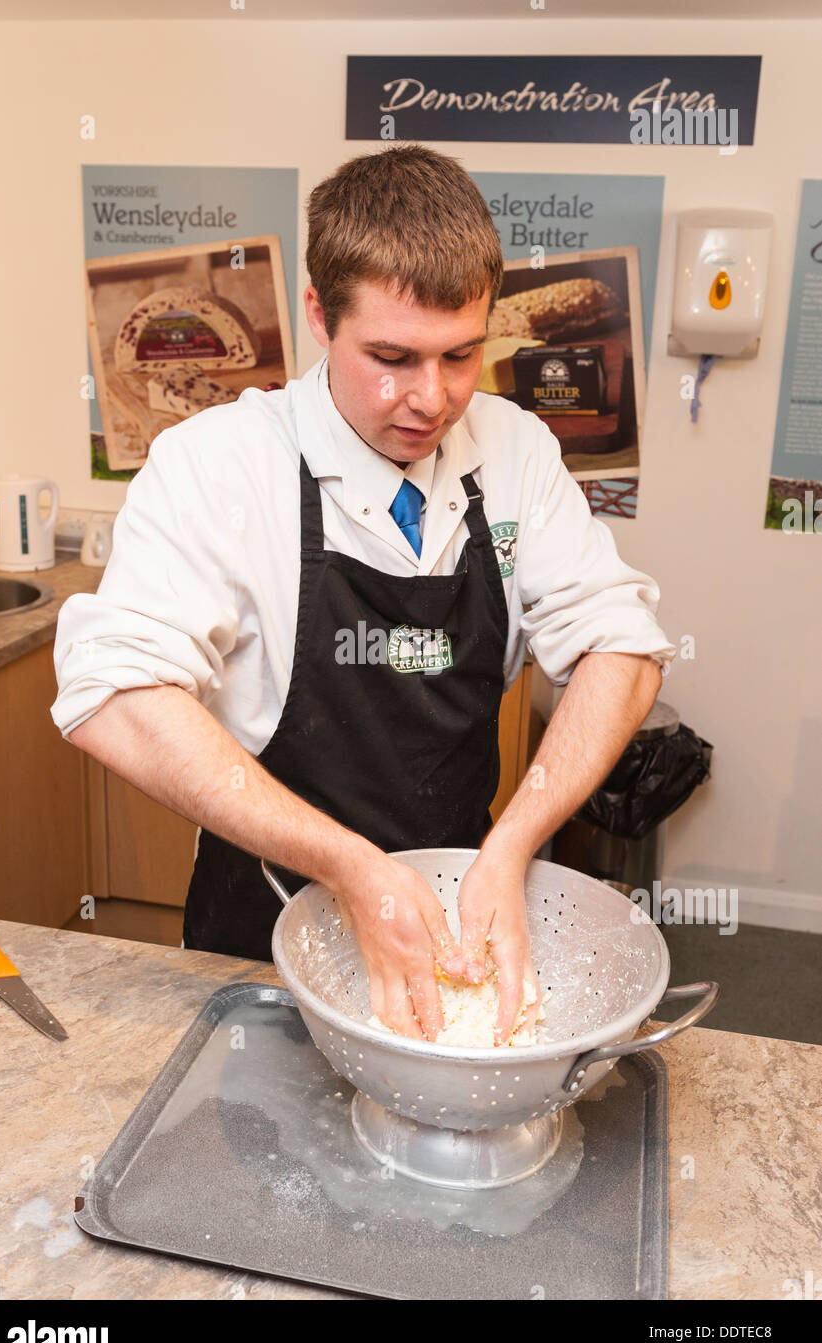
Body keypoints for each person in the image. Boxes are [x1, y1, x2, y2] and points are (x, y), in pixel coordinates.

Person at [51, 143, 675, 1045]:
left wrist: (513, 846)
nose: (431, 399)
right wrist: (347, 866)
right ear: (317, 313)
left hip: (459, 911)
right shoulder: (221, 464)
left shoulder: (517, 450)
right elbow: (110, 695)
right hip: (256, 937)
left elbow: (621, 648)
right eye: (392, 356)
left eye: (461, 355)